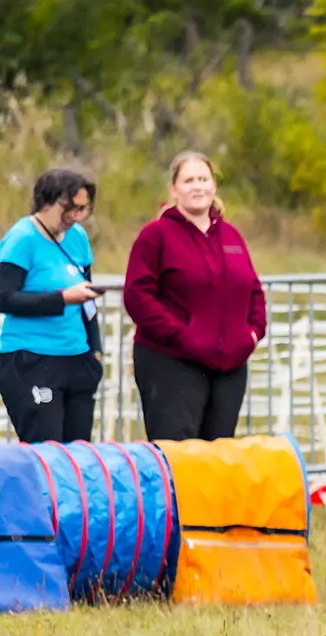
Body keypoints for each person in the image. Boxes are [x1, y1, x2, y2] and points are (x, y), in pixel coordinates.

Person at [121, 151, 268, 441]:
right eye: (189, 180)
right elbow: (138, 296)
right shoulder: (156, 236)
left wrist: (252, 333)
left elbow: (253, 289)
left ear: (214, 185)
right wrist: (182, 335)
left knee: (219, 453)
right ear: (174, 189)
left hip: (229, 366)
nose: (197, 186)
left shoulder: (231, 236)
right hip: (172, 362)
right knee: (179, 454)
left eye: (203, 179)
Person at [0, 168, 102, 443]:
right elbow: (4, 297)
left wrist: (96, 350)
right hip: (31, 357)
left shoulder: (78, 237)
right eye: (70, 207)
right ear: (47, 201)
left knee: (78, 454)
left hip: (77, 357)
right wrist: (61, 299)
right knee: (47, 451)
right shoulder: (22, 239)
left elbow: (88, 299)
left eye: (83, 208)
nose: (76, 215)